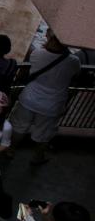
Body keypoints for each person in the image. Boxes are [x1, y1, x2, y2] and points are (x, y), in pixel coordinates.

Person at [9, 29, 81, 165]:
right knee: (44, 134)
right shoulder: (73, 61)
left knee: (19, 126)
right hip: (53, 104)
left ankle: (11, 149)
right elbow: (75, 76)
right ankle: (38, 157)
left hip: (29, 98)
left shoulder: (37, 54)